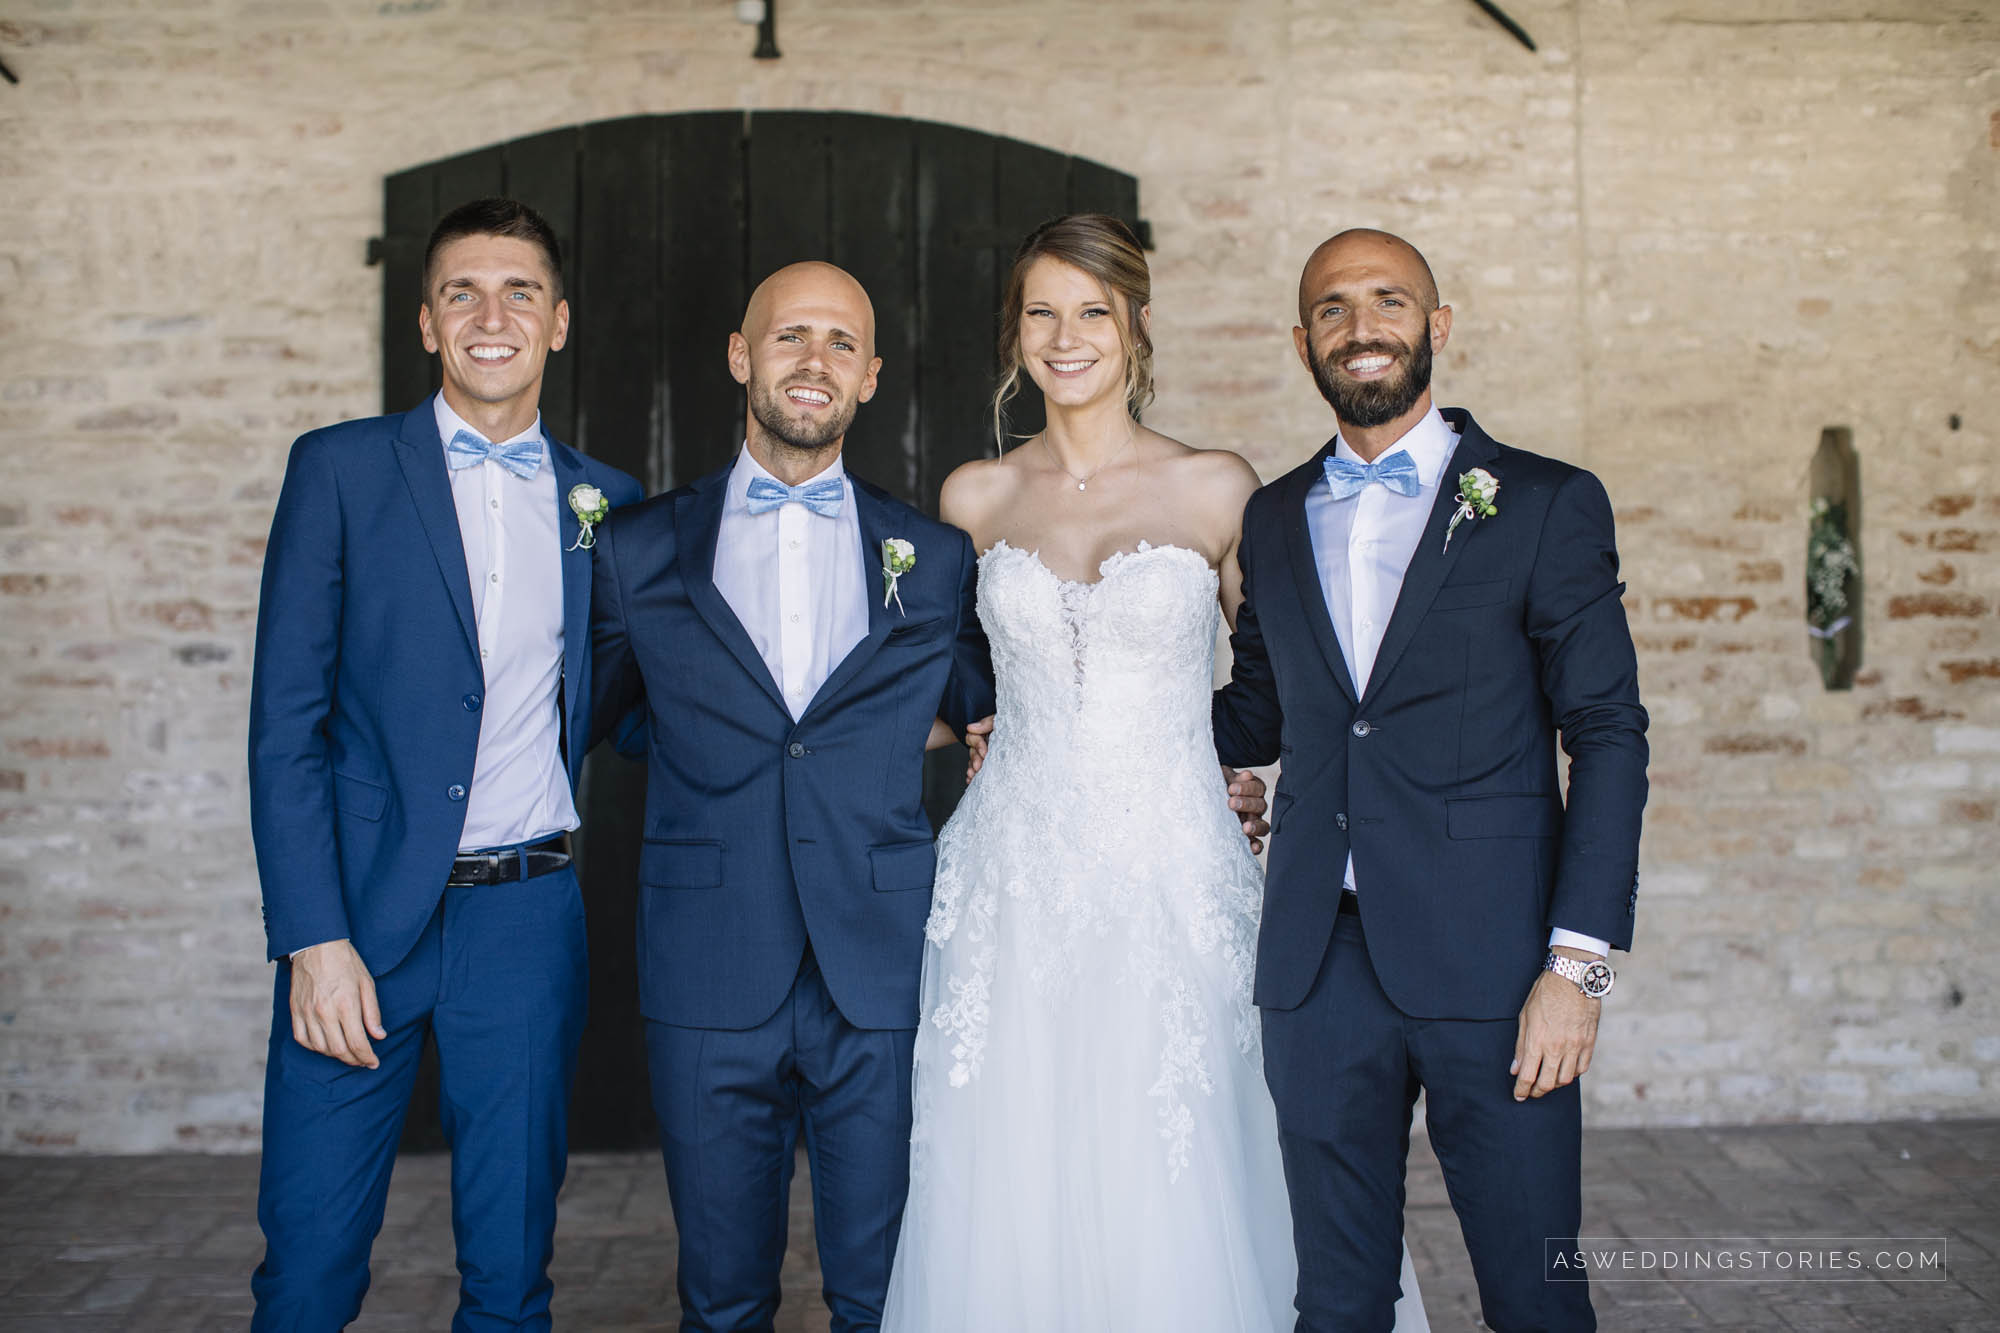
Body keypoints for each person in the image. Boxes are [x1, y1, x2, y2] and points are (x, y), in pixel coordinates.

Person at [881, 215, 1423, 1333]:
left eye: (1090, 311)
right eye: (1041, 311)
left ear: (1133, 327)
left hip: (1173, 871)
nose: (1064, 336)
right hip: (1009, 887)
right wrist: (978, 725)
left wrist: (1216, 761)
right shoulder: (973, 498)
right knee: (1011, 1168)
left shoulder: (1214, 488)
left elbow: (1287, 689)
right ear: (1014, 333)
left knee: (1188, 1157)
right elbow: (950, 685)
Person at [1212, 228, 1649, 1332]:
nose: (1360, 327)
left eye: (1387, 302)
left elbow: (1605, 732)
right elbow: (1258, 715)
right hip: (1314, 965)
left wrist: (1576, 969)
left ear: (1434, 327)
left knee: (1533, 1297)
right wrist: (1086, 711)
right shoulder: (1267, 518)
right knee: (1337, 1299)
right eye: (1331, 308)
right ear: (1301, 340)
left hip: (1499, 966)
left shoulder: (1545, 502)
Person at [247, 197, 644, 1330]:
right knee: (309, 1266)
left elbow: (639, 704)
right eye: (461, 291)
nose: (491, 314)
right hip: (357, 924)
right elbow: (285, 725)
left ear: (557, 323)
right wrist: (311, 937)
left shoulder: (602, 503)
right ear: (426, 323)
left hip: (524, 924)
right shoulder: (338, 470)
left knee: (510, 1274)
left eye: (519, 290)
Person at [587, 261, 1000, 1332]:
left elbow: (998, 714)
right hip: (707, 958)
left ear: (868, 376)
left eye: (838, 342)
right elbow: (608, 714)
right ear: (739, 355)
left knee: (886, 1294)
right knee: (721, 1299)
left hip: (881, 965)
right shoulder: (636, 551)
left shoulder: (938, 556)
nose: (812, 360)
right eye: (787, 336)